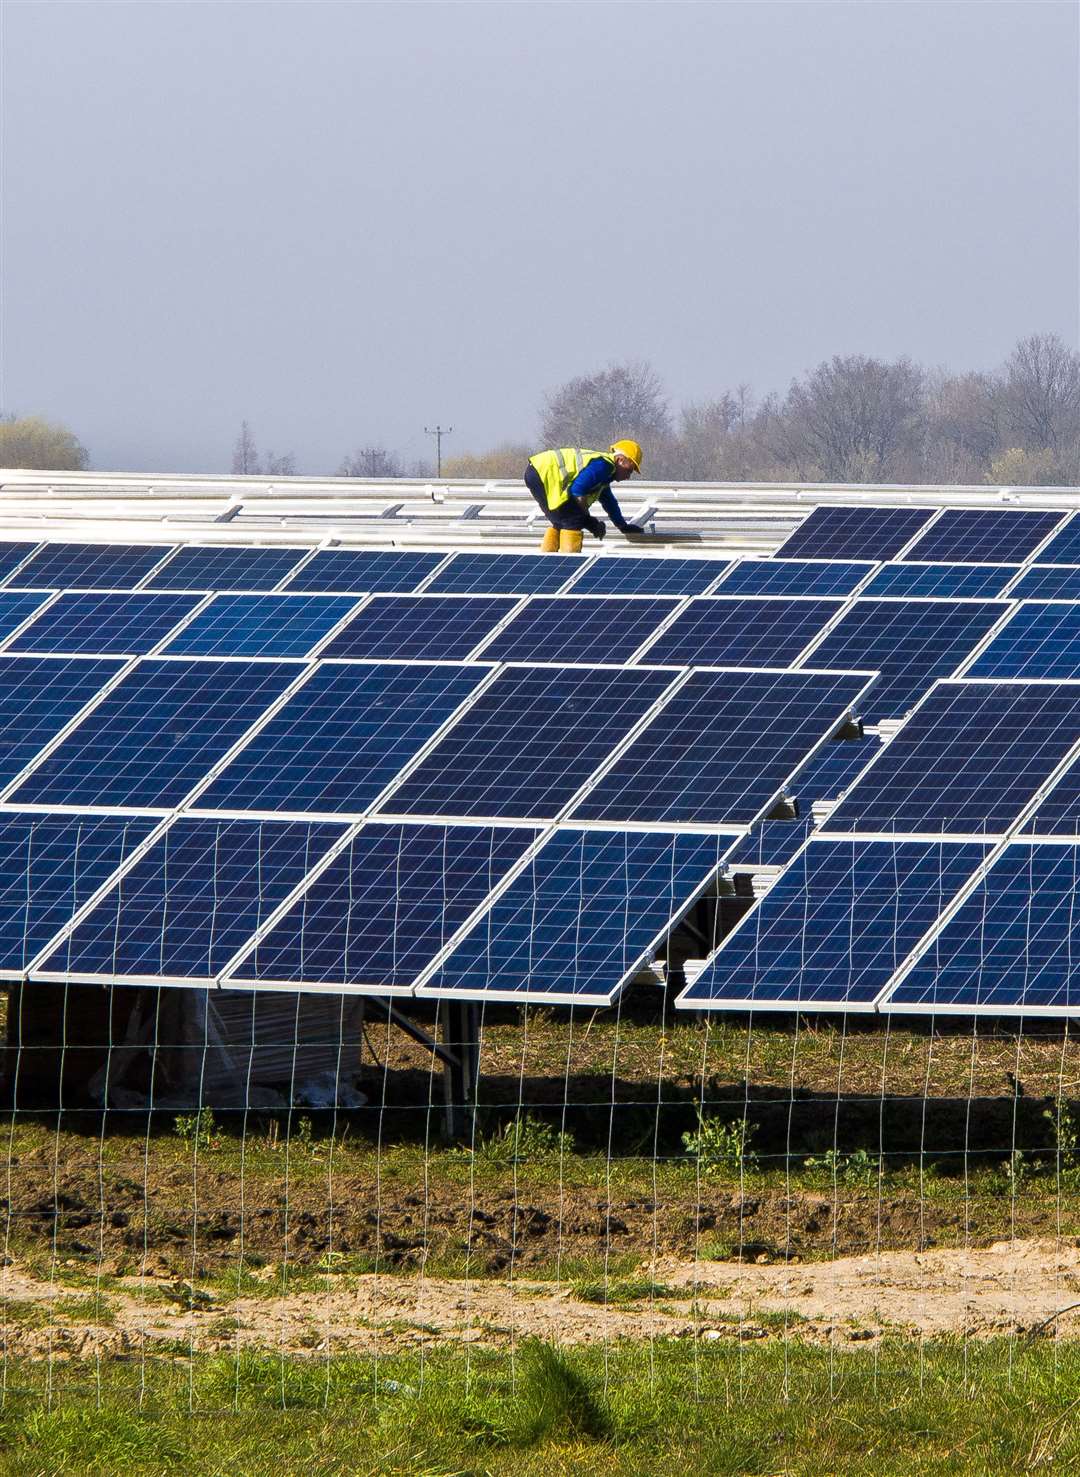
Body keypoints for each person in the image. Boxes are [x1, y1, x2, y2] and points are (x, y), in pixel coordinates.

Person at [524, 440, 646, 552]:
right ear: (620, 459)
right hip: (543, 473)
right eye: (629, 470)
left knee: (561, 521)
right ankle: (568, 563)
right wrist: (589, 521)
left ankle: (548, 561)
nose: (628, 476)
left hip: (537, 472)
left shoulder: (605, 476)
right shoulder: (603, 466)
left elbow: (610, 503)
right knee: (573, 520)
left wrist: (622, 526)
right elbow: (577, 490)